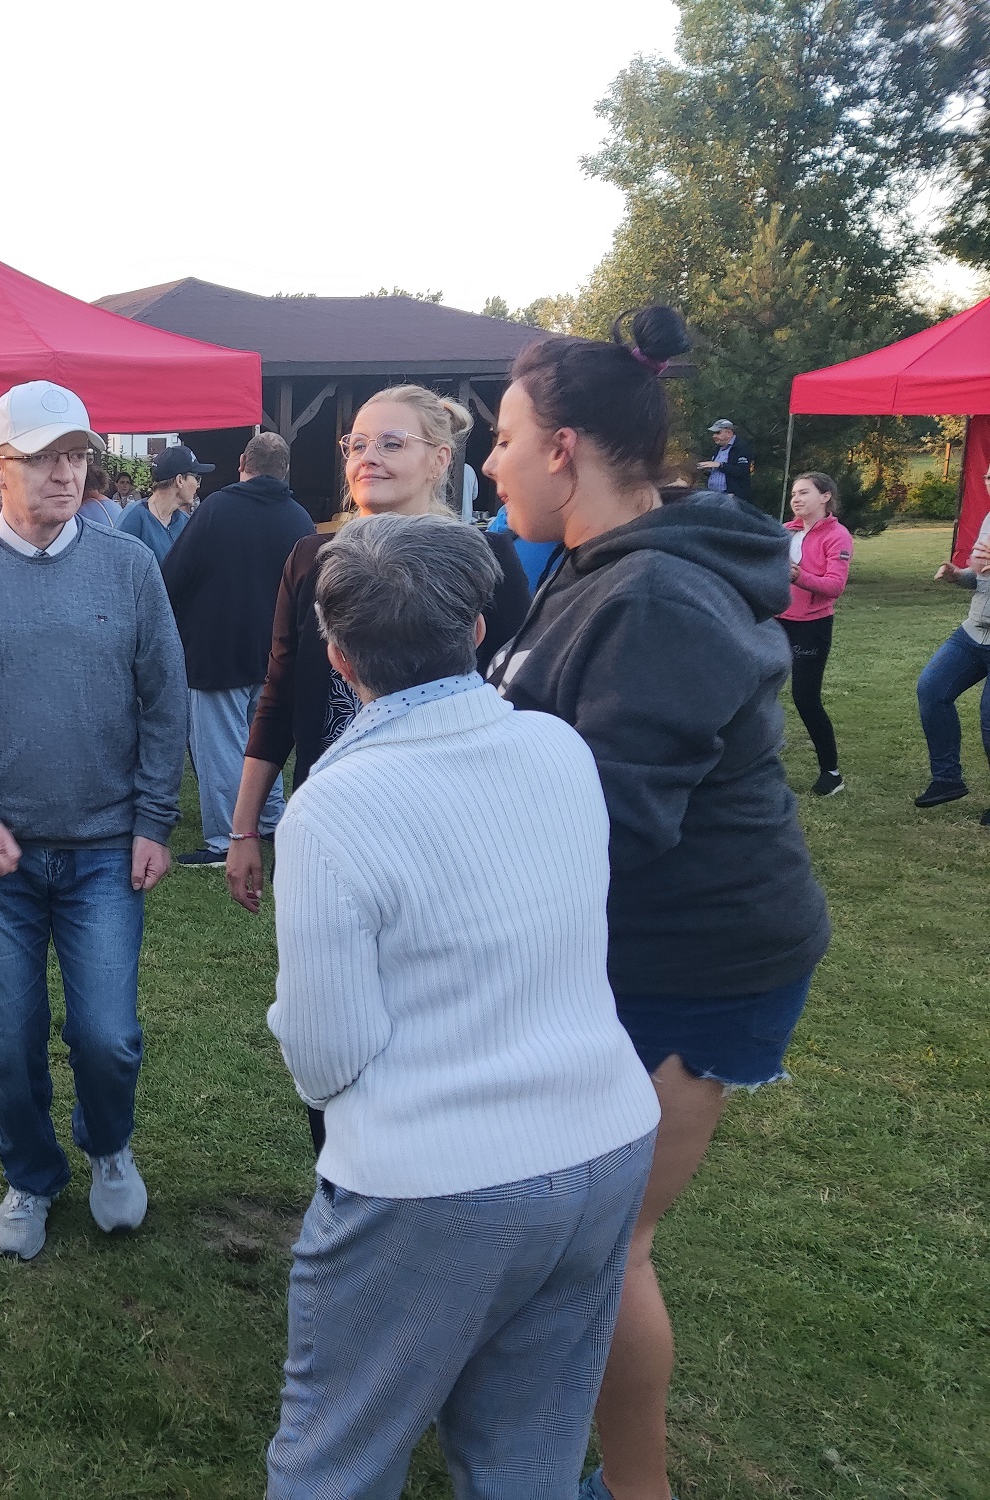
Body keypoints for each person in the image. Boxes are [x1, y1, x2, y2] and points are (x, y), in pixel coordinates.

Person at [479, 306, 830, 1500]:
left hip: (698, 965)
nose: (491, 462)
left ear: (562, 447)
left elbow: (610, 825)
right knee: (575, 1239)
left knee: (607, 1247)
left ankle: (636, 1492)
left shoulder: (654, 598)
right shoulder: (590, 569)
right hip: (627, 950)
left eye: (503, 439)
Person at [266, 513, 659, 1498]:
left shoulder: (332, 807)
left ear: (336, 656)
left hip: (428, 1184)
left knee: (336, 1459)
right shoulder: (557, 747)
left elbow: (323, 1056)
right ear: (477, 629)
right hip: (602, 1141)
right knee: (528, 1452)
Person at [0, 379, 186, 1261]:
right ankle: (29, 1174)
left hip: (104, 850)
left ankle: (109, 1146)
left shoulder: (129, 568)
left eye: (76, 457)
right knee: (6, 1040)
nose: (65, 474)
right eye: (42, 459)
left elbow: (164, 699)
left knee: (108, 1036)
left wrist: (153, 818)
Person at [227, 386, 534, 1136]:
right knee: (330, 1008)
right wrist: (243, 828)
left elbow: (520, 698)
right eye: (357, 444)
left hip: (453, 830)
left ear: (439, 459)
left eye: (391, 443)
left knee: (440, 1012)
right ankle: (339, 1172)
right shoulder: (312, 556)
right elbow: (279, 692)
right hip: (333, 825)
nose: (369, 457)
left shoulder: (486, 560)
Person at [160, 432, 314, 868]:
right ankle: (270, 819)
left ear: (243, 462)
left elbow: (174, 575)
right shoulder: (299, 519)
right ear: (285, 470)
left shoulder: (216, 510)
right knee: (264, 740)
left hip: (217, 648)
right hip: (275, 652)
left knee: (221, 748)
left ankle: (226, 839)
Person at [914, 482, 990, 813]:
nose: (989, 483)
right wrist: (958, 576)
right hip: (974, 631)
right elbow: (981, 576)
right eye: (987, 477)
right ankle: (947, 780)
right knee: (932, 689)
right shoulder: (989, 519)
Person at [780, 472, 854, 797]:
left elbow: (834, 586)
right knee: (756, 692)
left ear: (825, 497)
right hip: (775, 621)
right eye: (794, 494)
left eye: (804, 493)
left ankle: (831, 773)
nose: (796, 499)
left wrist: (797, 576)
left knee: (805, 698)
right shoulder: (785, 531)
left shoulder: (837, 536)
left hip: (811, 626)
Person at [117, 443, 212, 564]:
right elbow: (117, 567)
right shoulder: (133, 518)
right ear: (180, 480)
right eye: (197, 478)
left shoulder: (185, 522)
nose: (198, 485)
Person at [697, 418, 753, 500]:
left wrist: (720, 465)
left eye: (718, 433)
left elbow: (742, 471)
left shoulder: (741, 447)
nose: (714, 436)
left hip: (732, 498)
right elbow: (719, 472)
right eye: (713, 433)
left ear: (728, 433)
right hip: (714, 496)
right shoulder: (717, 448)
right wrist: (707, 470)